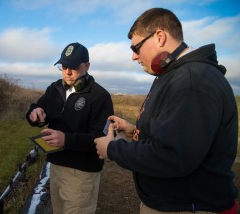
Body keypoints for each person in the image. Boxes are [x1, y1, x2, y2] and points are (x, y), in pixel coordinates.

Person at [94, 8, 238, 214]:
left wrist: (112, 149)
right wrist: (134, 129)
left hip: (188, 206)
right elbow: (179, 135)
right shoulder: (172, 76)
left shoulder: (191, 81)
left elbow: (172, 156)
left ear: (160, 36)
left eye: (136, 48)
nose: (134, 57)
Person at [26, 42, 114, 214]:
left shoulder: (100, 96)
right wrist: (34, 113)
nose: (67, 71)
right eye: (64, 66)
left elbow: (102, 138)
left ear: (87, 66)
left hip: (82, 173)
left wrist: (66, 140)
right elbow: (37, 107)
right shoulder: (55, 88)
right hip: (56, 166)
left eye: (73, 66)